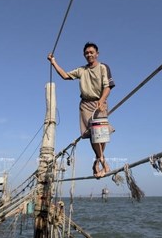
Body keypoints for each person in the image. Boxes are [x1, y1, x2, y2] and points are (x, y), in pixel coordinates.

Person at [47, 42, 115, 178]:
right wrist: (53, 62)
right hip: (85, 104)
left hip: (99, 102)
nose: (89, 54)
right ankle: (102, 161)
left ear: (97, 54)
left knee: (101, 134)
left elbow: (108, 87)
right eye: (87, 53)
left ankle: (98, 161)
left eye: (91, 52)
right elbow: (65, 76)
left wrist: (101, 101)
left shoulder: (103, 67)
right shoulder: (81, 70)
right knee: (92, 134)